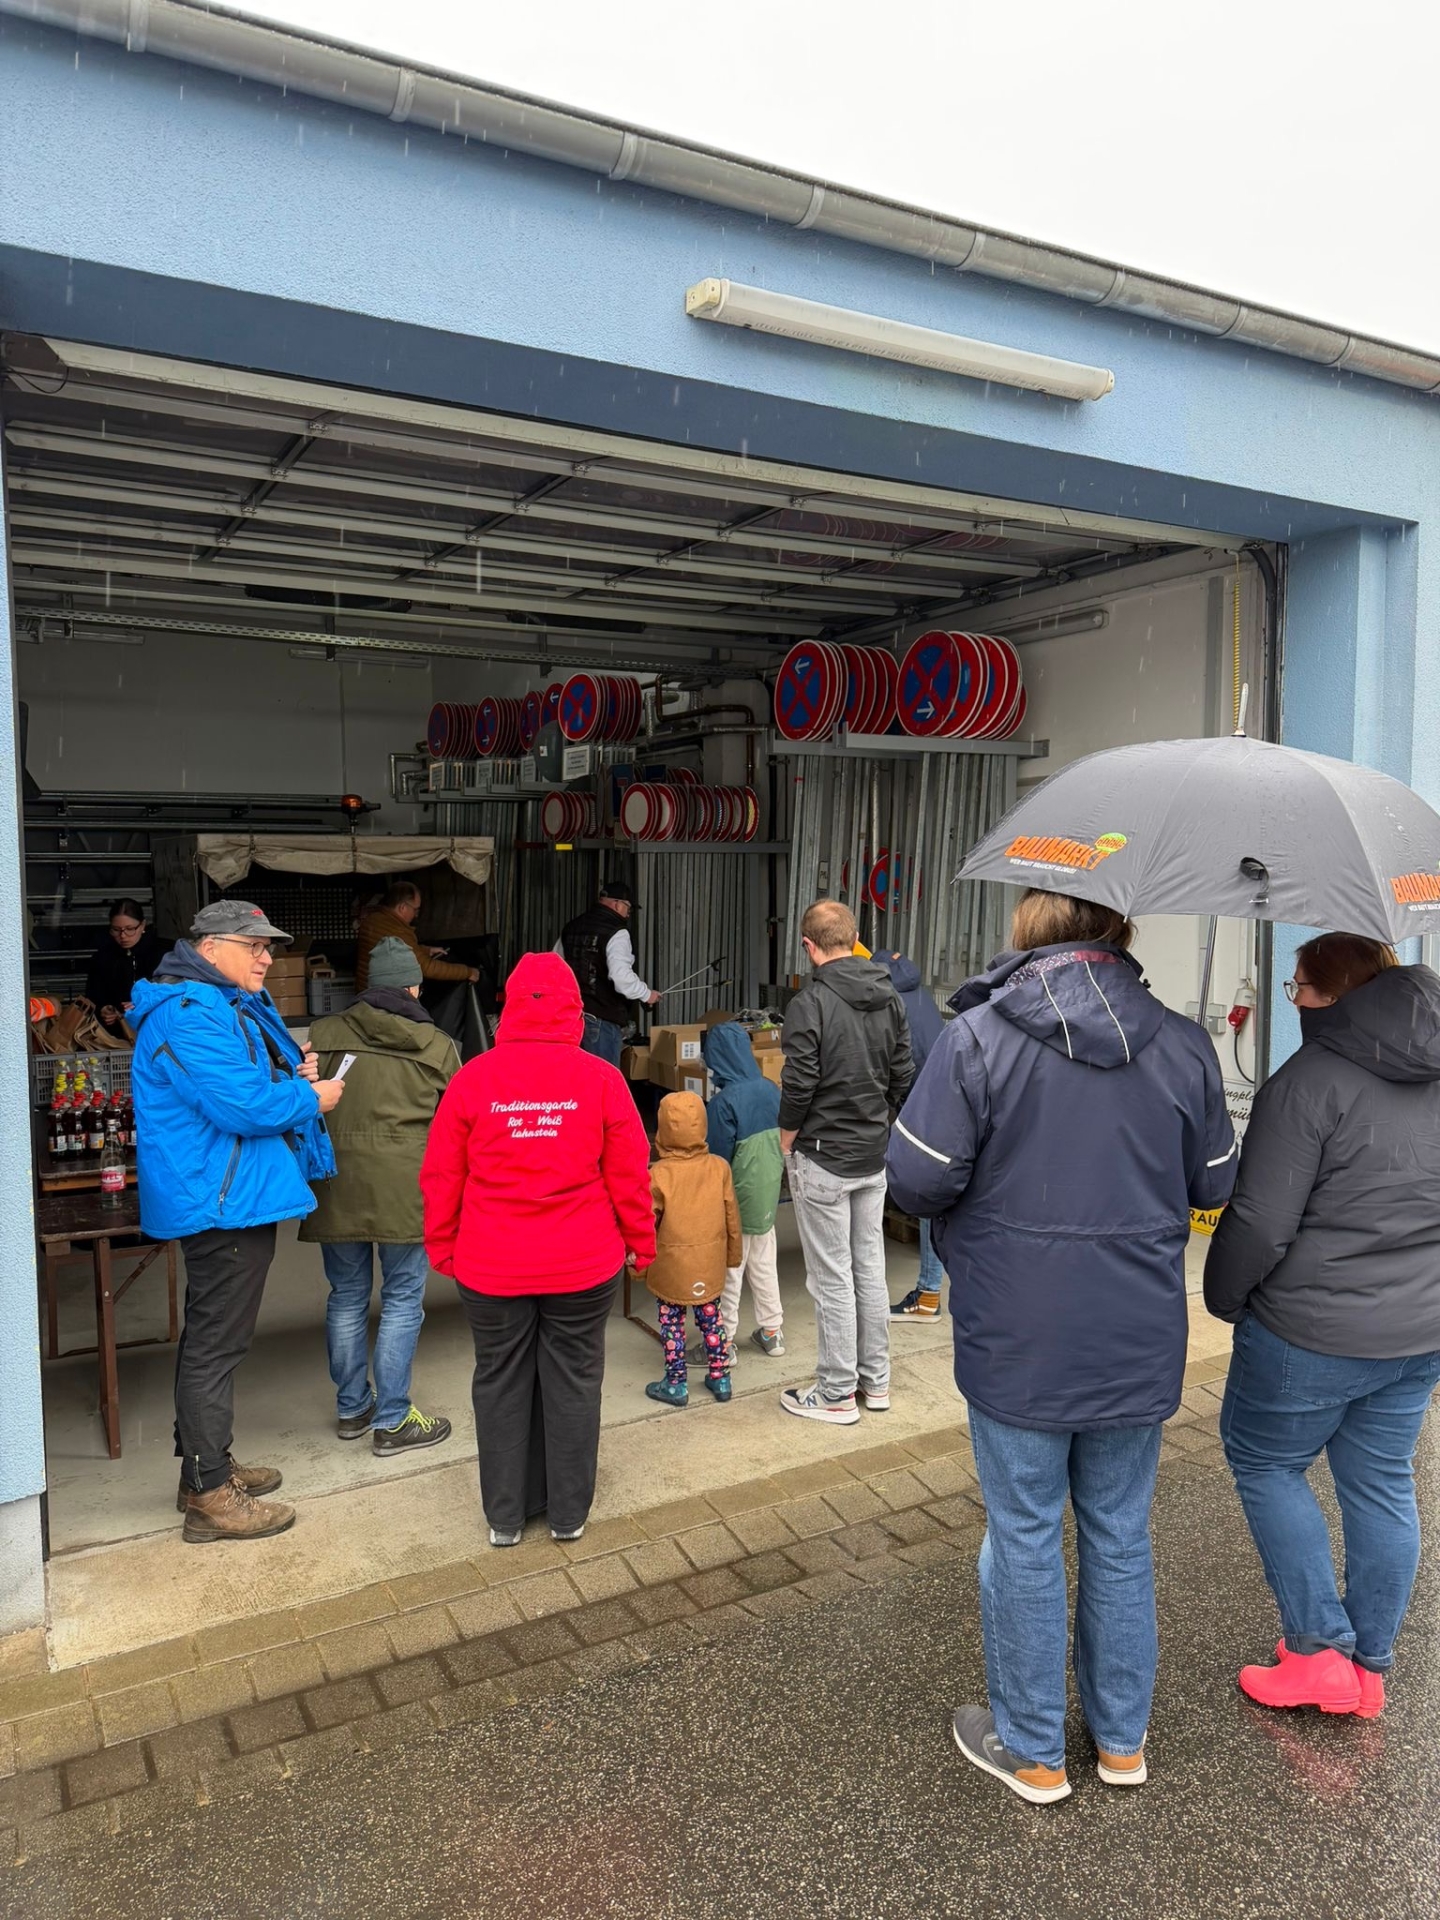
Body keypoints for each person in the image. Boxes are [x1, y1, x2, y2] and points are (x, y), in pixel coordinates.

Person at [887, 890, 1236, 1804]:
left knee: (1026, 1535)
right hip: (1136, 1332)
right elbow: (1215, 1181)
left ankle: (1035, 1751)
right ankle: (1122, 1745)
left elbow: (916, 1180)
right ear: (1119, 933)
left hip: (1018, 1338)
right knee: (1120, 1535)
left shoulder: (978, 1039)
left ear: (1028, 931)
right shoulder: (1185, 1042)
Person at [1204, 933, 1440, 1720]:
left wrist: (1224, 1297)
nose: (1293, 1001)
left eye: (1298, 987)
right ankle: (1368, 1665)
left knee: (1267, 1465)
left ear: (1333, 996)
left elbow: (1260, 1224)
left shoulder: (1306, 1082)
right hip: (1419, 1331)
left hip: (1309, 1330)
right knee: (1380, 1483)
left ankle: (1317, 1652)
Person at [420, 951, 655, 1547]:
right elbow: (628, 1173)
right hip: (582, 1262)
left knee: (500, 1379)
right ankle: (568, 1514)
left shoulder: (473, 1078)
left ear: (508, 1011)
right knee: (574, 1379)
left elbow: (442, 1174)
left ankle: (505, 1517)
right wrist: (640, 1242)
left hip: (490, 1263)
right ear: (575, 1012)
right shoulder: (601, 1079)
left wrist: (442, 1245)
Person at [129, 900, 345, 1543]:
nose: (267, 958)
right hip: (218, 1201)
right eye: (253, 946)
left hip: (230, 1194)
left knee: (216, 1341)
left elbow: (247, 1084)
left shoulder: (215, 1005)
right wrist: (311, 1096)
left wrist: (291, 1073)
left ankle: (206, 1466)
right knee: (215, 1347)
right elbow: (244, 1107)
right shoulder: (192, 1014)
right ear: (213, 946)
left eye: (267, 946)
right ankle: (207, 1496)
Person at [300, 937, 460, 1457]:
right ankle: (393, 1419)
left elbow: (298, 1102)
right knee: (401, 1301)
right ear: (415, 985)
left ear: (369, 987)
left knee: (345, 1296)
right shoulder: (438, 1046)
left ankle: (352, 1408)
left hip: (337, 1183)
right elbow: (459, 1125)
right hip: (407, 1189)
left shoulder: (321, 1036)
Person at [777, 899, 914, 1426]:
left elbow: (799, 1082)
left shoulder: (809, 1004)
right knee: (869, 1271)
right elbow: (905, 1073)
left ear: (809, 947)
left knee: (832, 1278)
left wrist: (787, 1137)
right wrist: (882, 1121)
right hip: (871, 1156)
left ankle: (835, 1393)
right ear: (853, 938)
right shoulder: (889, 996)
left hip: (824, 1157)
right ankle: (875, 1383)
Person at [641, 1090, 743, 1408]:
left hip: (672, 1264)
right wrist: (733, 1255)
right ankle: (720, 1375)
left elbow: (646, 1224)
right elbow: (731, 1217)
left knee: (671, 1323)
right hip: (708, 1263)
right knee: (712, 1319)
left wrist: (638, 1264)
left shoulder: (658, 1175)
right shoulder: (719, 1167)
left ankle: (676, 1383)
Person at [701, 1021, 786, 1358]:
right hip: (768, 1194)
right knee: (764, 1262)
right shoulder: (770, 1088)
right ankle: (772, 1331)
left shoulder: (723, 1104)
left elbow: (716, 1161)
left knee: (730, 1269)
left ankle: (723, 1341)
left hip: (737, 1197)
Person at [873, 949, 947, 1323]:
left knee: (926, 1196)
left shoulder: (888, 1002)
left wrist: (894, 1103)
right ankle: (939, 1289)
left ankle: (929, 1294)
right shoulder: (919, 992)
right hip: (950, 1101)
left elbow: (895, 1064)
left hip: (925, 1107)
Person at [557, 880, 660, 1067]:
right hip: (600, 1022)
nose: (628, 914)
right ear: (616, 904)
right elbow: (621, 977)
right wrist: (646, 994)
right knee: (602, 1085)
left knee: (577, 1081)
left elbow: (555, 967)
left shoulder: (572, 927)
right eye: (628, 908)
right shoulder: (617, 932)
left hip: (570, 1020)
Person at [356, 880, 478, 992]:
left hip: (365, 994)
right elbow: (427, 968)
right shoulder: (398, 931)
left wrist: (425, 950)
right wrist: (467, 972)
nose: (416, 915)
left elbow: (393, 951)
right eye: (415, 910)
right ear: (402, 907)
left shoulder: (372, 920)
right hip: (384, 1002)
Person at [84, 897, 164, 1036]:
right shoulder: (102, 958)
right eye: (116, 929)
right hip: (116, 1035)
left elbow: (175, 992)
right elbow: (92, 996)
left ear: (143, 925)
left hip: (155, 1031)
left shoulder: (162, 954)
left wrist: (142, 1003)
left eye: (130, 929)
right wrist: (103, 1009)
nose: (123, 936)